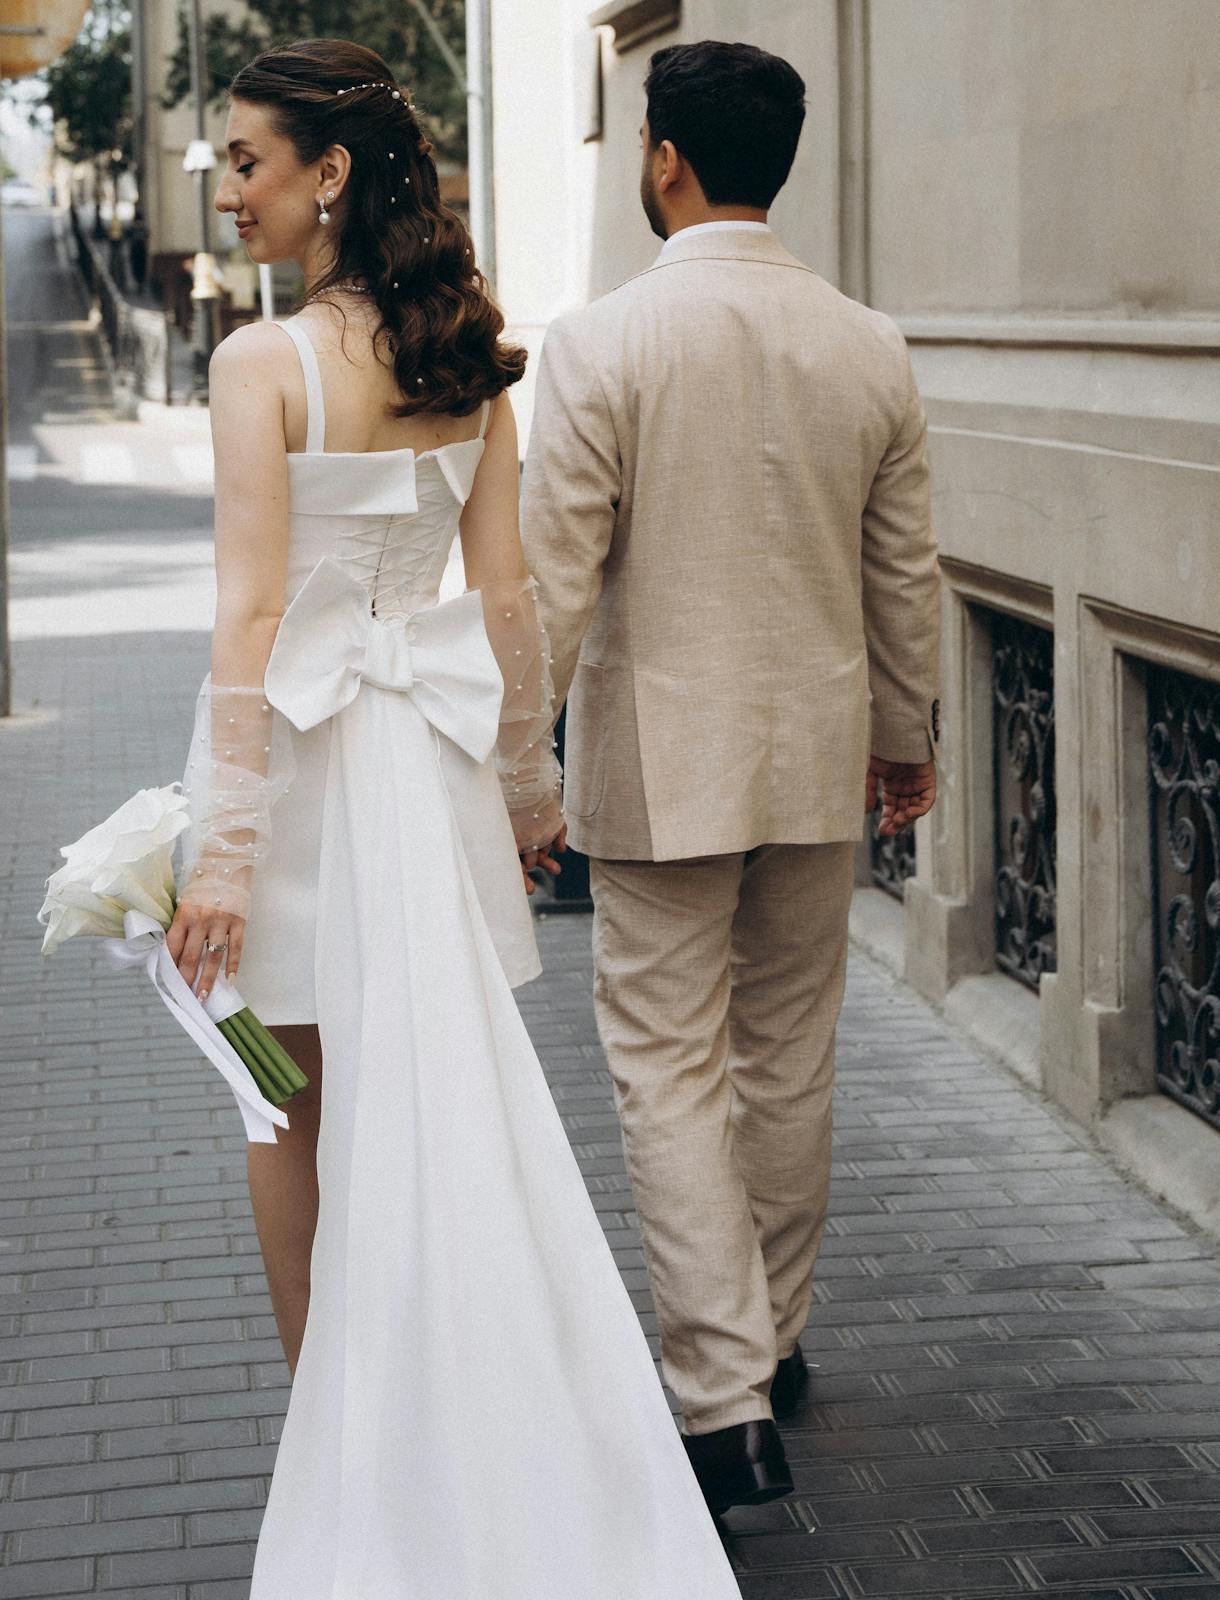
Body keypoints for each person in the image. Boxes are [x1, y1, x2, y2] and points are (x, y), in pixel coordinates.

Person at [163, 37, 743, 1599]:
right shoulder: (463, 350)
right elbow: (507, 602)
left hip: (295, 788)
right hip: (417, 780)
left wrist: (216, 854)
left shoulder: (257, 366)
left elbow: (253, 617)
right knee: (446, 1094)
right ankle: (483, 1436)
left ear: (329, 175)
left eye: (247, 162)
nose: (227, 191)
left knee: (278, 1091)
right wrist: (526, 798)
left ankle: (337, 1452)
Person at [521, 39, 942, 1517]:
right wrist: (910, 741)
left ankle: (719, 1400)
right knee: (787, 1058)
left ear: (664, 158)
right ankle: (777, 1335)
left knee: (668, 1067)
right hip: (820, 760)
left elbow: (551, 588)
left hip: (656, 771)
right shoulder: (868, 342)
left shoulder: (601, 343)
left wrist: (524, 773)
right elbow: (908, 578)